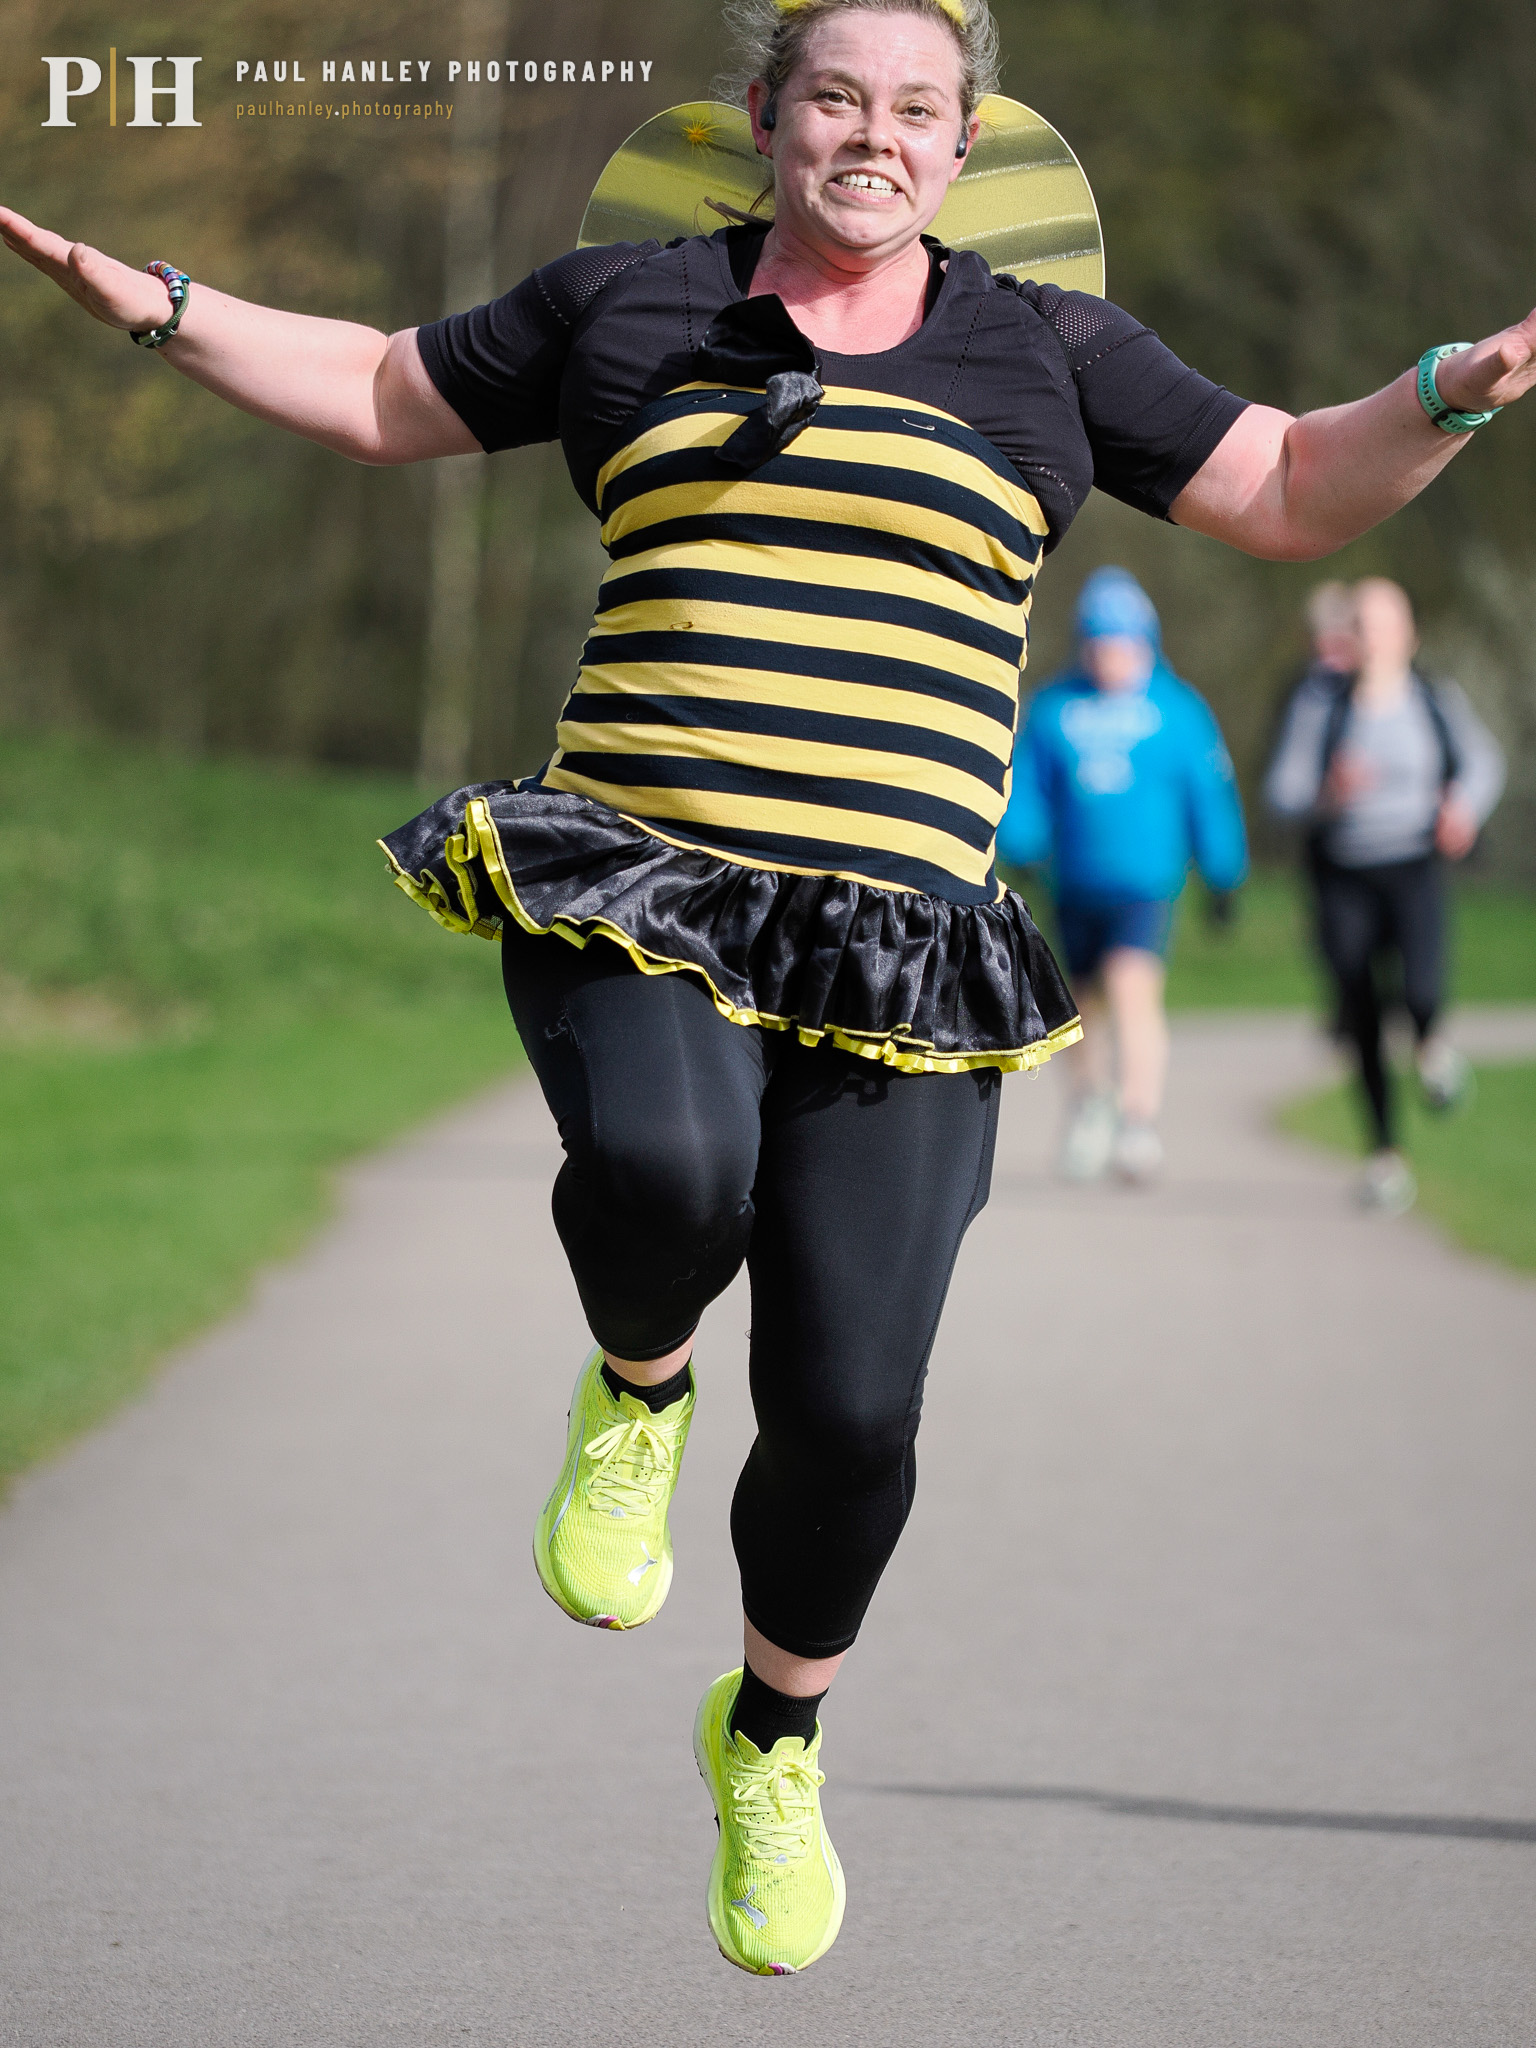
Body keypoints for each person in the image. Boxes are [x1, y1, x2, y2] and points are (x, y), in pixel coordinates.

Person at [7, 0, 1535, 1976]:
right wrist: (162, 302)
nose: (874, 135)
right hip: (641, 870)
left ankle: (773, 1733)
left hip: (901, 946)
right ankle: (638, 1382)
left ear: (968, 143)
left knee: (852, 1405)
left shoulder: (1047, 351)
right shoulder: (634, 305)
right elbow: (386, 388)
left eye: (917, 107)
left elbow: (1291, 484)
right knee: (662, 1172)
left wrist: (1453, 384)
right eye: (836, 97)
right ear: (765, 116)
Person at [996, 566, 1247, 1183]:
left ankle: (1138, 1121)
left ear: (1147, 641)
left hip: (1147, 885)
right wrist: (1021, 845)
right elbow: (1025, 784)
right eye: (1100, 643)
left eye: (1123, 643)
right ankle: (1089, 1107)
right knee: (1082, 1008)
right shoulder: (1056, 708)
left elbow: (1209, 793)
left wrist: (1222, 870)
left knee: (1134, 989)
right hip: (1075, 883)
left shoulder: (1177, 711)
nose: (1111, 657)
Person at [1266, 578, 1505, 1213]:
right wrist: (1329, 794)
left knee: (1422, 991)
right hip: (1346, 873)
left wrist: (1464, 806)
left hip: (1415, 864)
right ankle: (1385, 1157)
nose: (1366, 635)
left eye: (1379, 623)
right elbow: (1281, 791)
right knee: (1364, 1014)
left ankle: (1430, 1046)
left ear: (1407, 634)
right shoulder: (1322, 704)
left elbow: (1484, 764)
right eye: (1359, 624)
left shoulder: (1433, 698)